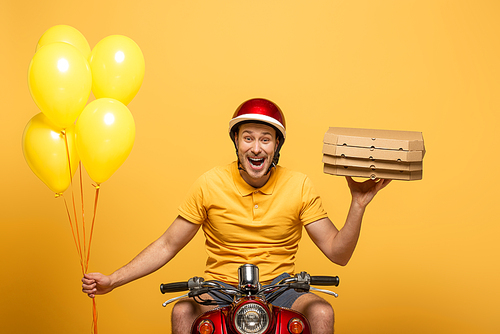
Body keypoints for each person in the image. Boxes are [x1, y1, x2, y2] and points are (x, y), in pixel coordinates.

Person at [82, 98, 391, 334]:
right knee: (181, 312)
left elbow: (339, 253)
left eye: (265, 139)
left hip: (281, 288)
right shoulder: (209, 183)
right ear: (236, 142)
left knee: (322, 313)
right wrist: (113, 280)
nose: (256, 148)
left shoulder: (298, 185)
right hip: (219, 288)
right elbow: (167, 244)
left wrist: (358, 203)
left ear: (276, 146)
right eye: (248, 137)